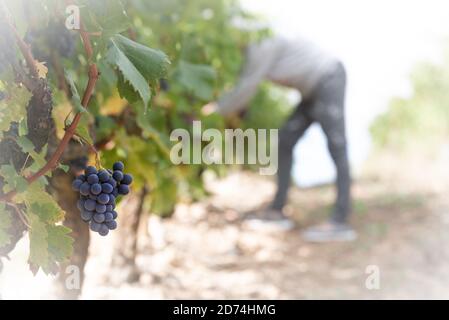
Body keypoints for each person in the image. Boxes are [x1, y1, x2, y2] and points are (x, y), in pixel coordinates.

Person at [203, 36, 356, 242]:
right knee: (284, 141)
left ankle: (340, 220)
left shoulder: (260, 45)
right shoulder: (258, 47)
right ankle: (277, 211)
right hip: (312, 91)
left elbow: (247, 86)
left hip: (328, 78)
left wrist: (215, 111)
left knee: (337, 145)